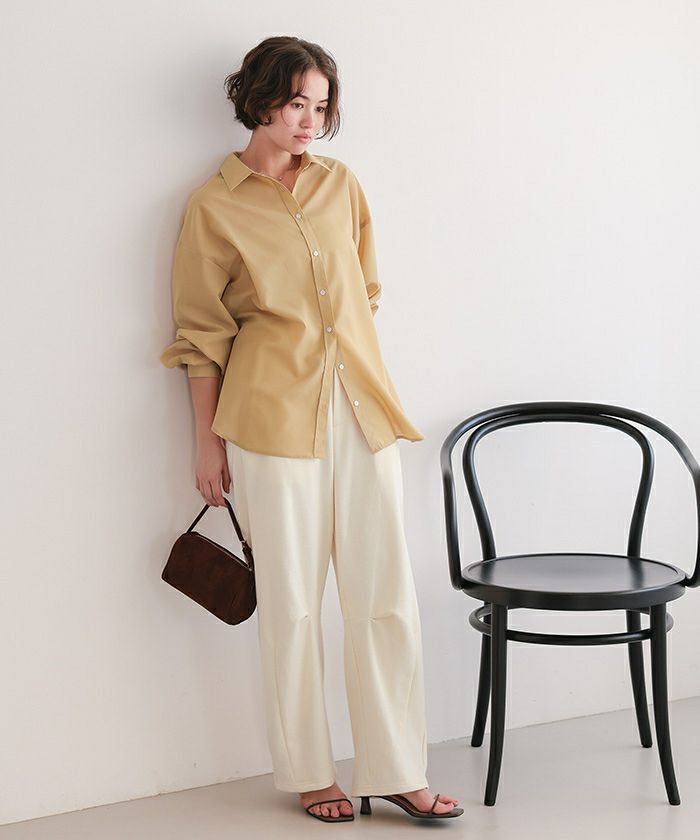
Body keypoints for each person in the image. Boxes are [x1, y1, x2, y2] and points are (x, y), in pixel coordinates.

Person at [160, 35, 463, 823]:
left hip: (361, 409)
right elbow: (201, 335)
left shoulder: (340, 185)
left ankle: (397, 768)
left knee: (384, 595)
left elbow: (364, 290)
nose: (309, 121)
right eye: (296, 102)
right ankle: (310, 773)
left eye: (321, 106)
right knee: (293, 606)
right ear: (259, 99)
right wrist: (206, 442)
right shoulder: (213, 206)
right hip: (268, 420)